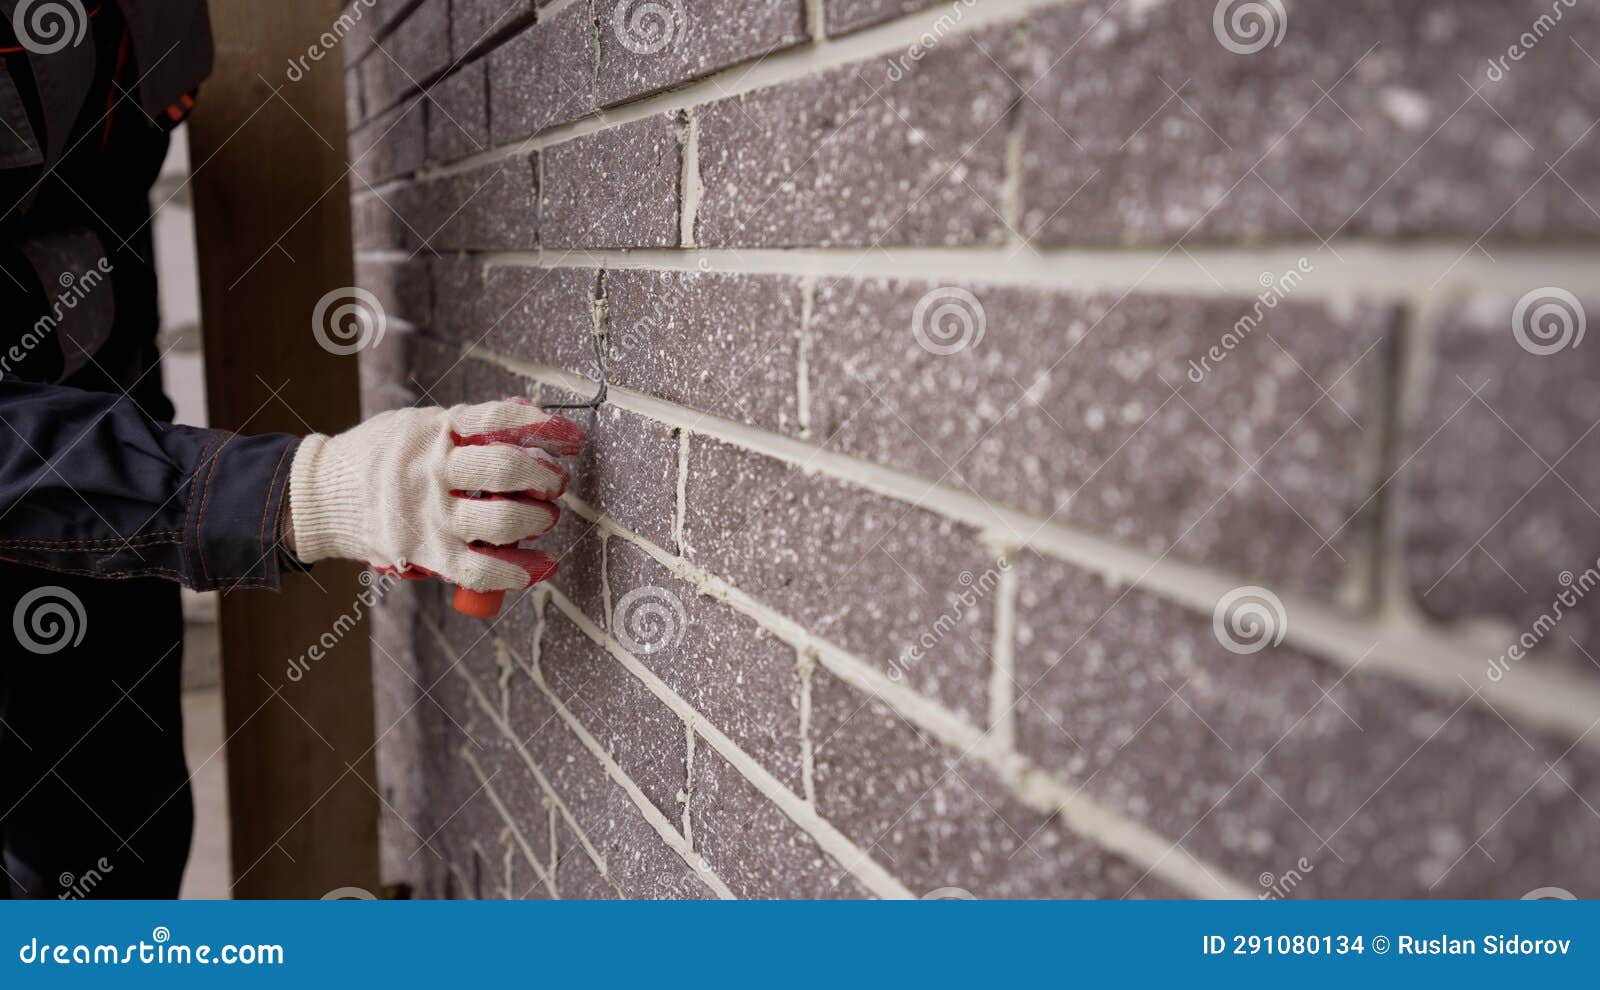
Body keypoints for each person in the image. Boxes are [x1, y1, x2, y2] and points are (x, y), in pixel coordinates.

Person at [0, 0, 579, 898]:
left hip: (91, 452)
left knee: (117, 840)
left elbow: (98, 222)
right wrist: (298, 493)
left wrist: (138, 474)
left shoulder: (151, 21)